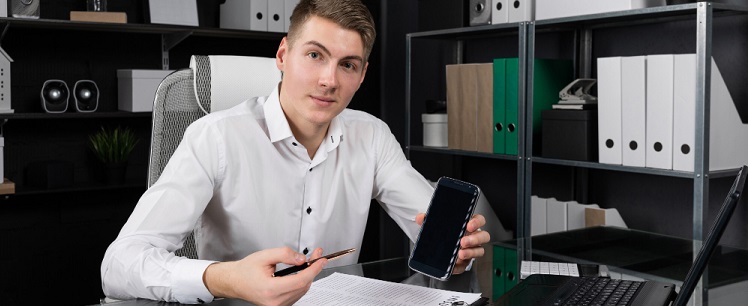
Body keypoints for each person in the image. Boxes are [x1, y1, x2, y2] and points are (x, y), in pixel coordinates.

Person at [100, 0, 491, 305]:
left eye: (347, 65)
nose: (329, 80)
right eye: (315, 55)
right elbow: (119, 265)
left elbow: (431, 229)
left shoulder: (371, 136)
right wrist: (226, 278)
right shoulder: (214, 137)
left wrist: (456, 251)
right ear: (283, 55)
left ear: (362, 76)